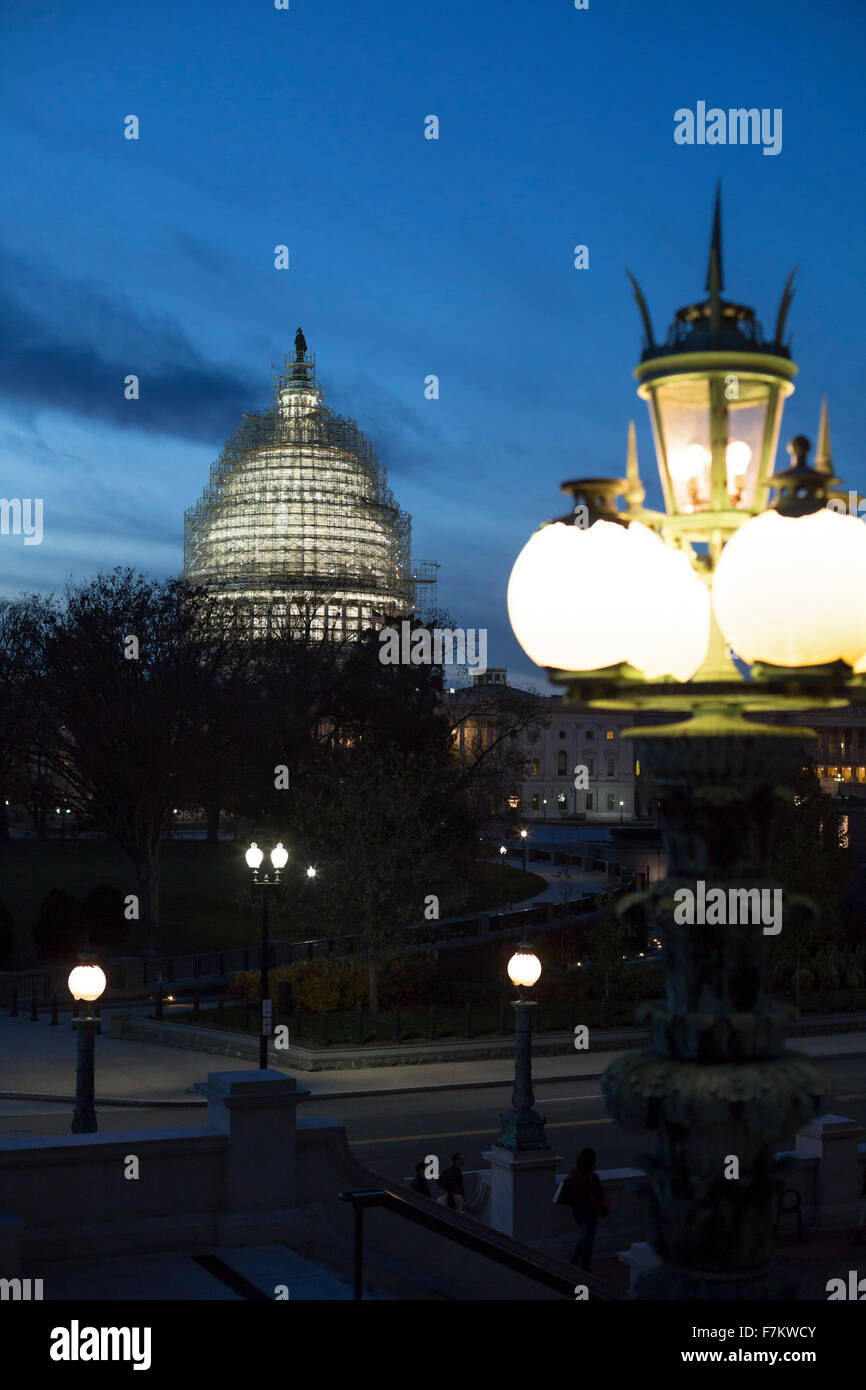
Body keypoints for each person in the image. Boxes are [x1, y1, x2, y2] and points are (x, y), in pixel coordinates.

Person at [567, 1148, 605, 1271]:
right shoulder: (592, 1177)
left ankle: (577, 1261)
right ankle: (581, 1263)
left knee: (585, 1235)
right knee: (587, 1238)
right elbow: (599, 1194)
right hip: (588, 1211)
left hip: (577, 1210)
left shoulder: (574, 1175)